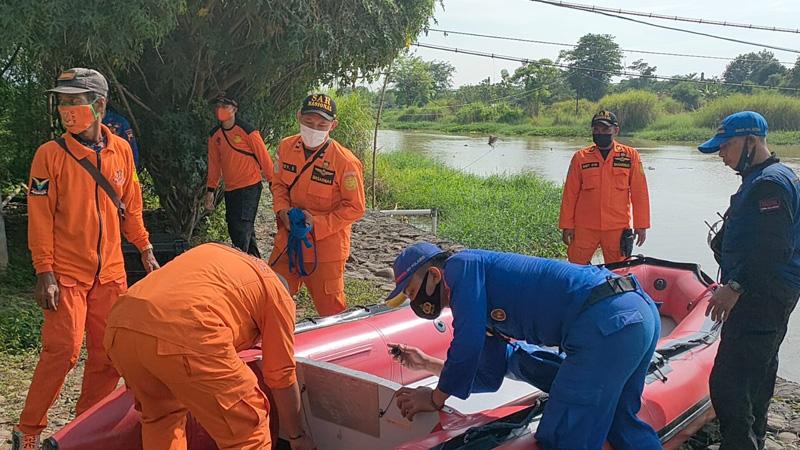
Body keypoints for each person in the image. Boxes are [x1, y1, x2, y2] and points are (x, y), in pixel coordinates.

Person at [384, 242, 662, 450]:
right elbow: (490, 374)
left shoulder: (461, 268)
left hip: (606, 321)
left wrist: (434, 399)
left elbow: (466, 344)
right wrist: (426, 364)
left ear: (433, 275)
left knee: (562, 435)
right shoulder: (484, 299)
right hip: (634, 314)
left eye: (411, 291)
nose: (414, 301)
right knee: (619, 420)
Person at [13, 68, 159, 450]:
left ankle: (83, 432)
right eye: (62, 101)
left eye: (75, 101)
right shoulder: (50, 156)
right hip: (66, 274)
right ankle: (27, 430)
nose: (66, 109)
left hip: (110, 275)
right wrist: (44, 271)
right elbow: (40, 218)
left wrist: (144, 250)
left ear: (99, 105)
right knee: (62, 351)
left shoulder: (122, 151)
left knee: (108, 357)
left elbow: (131, 208)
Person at [104, 243, 316, 450]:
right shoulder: (278, 296)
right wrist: (297, 436)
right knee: (248, 428)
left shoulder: (218, 253)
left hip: (121, 324)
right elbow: (281, 375)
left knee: (162, 417)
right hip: (185, 330)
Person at [699, 111, 800, 450]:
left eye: (726, 147)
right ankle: (752, 437)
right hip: (771, 293)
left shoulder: (769, 183)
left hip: (761, 295)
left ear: (751, 142)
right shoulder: (770, 177)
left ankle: (741, 443)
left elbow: (774, 249)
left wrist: (735, 286)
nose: (722, 156)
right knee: (758, 373)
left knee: (729, 382)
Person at [269, 94, 365, 317]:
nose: (314, 129)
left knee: (331, 311)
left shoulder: (345, 161)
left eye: (322, 125)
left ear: (333, 125)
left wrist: (317, 224)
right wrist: (282, 211)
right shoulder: (286, 147)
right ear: (298, 117)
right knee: (270, 296)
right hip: (288, 240)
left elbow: (355, 207)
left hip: (326, 250)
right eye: (309, 123)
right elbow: (279, 185)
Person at [559, 110, 650, 264]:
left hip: (617, 228)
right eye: (597, 129)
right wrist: (567, 225)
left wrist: (641, 225)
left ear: (616, 130)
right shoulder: (580, 157)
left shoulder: (630, 156)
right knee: (575, 269)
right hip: (584, 227)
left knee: (618, 273)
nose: (600, 133)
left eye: (605, 129)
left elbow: (639, 193)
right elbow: (570, 193)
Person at [205, 93, 274, 257]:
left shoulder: (247, 131)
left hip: (249, 187)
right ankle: (256, 267)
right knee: (240, 229)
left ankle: (241, 269)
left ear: (234, 109)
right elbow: (214, 164)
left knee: (241, 230)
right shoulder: (215, 136)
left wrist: (274, 183)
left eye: (225, 107)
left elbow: (265, 159)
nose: (221, 110)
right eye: (219, 107)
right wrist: (210, 190)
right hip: (231, 189)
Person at [102, 105, 140, 170]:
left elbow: (132, 149)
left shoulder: (121, 122)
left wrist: (132, 170)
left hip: (119, 171)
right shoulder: (83, 124)